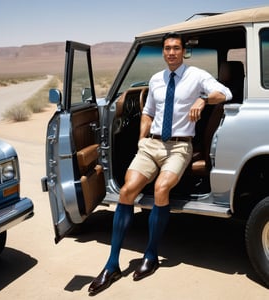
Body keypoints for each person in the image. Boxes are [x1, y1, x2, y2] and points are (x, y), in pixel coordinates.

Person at [88, 32, 232, 296]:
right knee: (126, 191)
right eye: (167, 48)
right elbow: (148, 112)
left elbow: (225, 92)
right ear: (163, 52)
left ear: (183, 51)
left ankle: (151, 254)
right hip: (152, 144)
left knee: (161, 189)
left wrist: (203, 99)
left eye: (176, 48)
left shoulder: (197, 76)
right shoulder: (156, 80)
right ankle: (112, 264)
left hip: (180, 146)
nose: (171, 53)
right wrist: (142, 140)